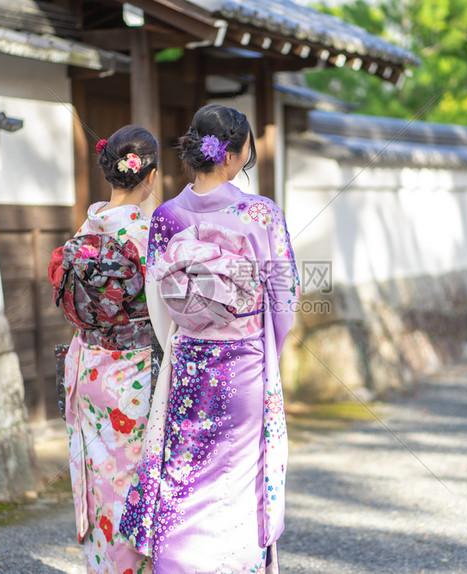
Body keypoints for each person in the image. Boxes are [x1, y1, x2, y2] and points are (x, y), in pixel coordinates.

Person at [119, 104, 300, 573]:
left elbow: (160, 307)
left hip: (188, 365)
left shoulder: (166, 217)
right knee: (238, 481)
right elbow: (285, 299)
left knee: (181, 475)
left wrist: (186, 338)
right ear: (235, 154)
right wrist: (266, 351)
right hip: (244, 365)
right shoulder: (261, 214)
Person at [49, 125, 160, 574]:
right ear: (148, 177)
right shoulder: (148, 236)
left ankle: (101, 566)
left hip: (85, 365)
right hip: (129, 374)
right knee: (128, 478)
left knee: (94, 474)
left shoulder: (87, 226)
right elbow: (166, 313)